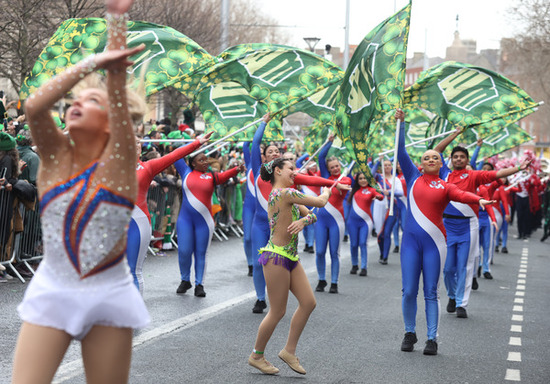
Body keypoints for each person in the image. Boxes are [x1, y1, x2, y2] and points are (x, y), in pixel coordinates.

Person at [12, 1, 150, 382]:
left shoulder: (120, 165)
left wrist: (117, 25)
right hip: (54, 289)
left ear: (111, 123)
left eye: (92, 101)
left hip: (109, 294)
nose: (76, 104)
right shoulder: (54, 158)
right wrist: (91, 63)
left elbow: (118, 94)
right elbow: (35, 105)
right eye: (74, 100)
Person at [394, 109, 494, 355]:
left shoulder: (446, 185)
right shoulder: (412, 176)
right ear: (420, 163)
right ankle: (409, 332)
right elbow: (400, 149)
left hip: (435, 244)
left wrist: (478, 199)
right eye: (427, 157)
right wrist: (402, 122)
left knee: (430, 291)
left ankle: (432, 338)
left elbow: (462, 195)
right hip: (410, 243)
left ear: (441, 164)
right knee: (408, 290)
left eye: (435, 158)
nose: (430, 159)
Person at [435, 127, 531, 319]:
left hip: (468, 226)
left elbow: (497, 174)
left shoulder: (474, 176)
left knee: (465, 265)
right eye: (456, 157)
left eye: (462, 157)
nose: (459, 159)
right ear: (451, 160)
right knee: (447, 269)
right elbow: (437, 151)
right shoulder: (443, 173)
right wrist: (454, 135)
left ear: (467, 160)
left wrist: (519, 168)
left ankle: (462, 303)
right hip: (447, 227)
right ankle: (452, 296)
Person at [248, 157, 330, 375]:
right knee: (277, 311)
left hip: (290, 257)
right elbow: (320, 203)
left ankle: (289, 351)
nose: (295, 172)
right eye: (291, 169)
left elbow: (312, 216)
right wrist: (329, 188)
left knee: (308, 302)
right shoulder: (284, 194)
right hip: (275, 257)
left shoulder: (289, 196)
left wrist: (304, 221)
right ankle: (257, 355)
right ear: (277, 171)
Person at [127, 132, 212, 294]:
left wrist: (197, 143)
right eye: (132, 140)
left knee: (134, 271)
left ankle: (135, 316)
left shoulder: (148, 166)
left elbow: (174, 155)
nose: (136, 144)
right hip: (117, 224)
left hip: (138, 223)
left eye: (139, 142)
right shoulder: (112, 168)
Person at [174, 149, 245, 297]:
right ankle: (185, 280)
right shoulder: (185, 171)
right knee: (184, 251)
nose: (206, 162)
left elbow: (225, 175)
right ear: (192, 163)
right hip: (185, 220)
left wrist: (236, 169)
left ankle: (200, 284)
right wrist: (196, 143)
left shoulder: (211, 176)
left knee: (201, 253)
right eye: (201, 160)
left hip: (204, 222)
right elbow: (176, 154)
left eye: (206, 159)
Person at [315, 135, 352, 293]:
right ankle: (322, 279)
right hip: (321, 220)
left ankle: (334, 282)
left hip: (337, 220)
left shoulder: (346, 179)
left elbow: (344, 186)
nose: (335, 169)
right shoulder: (325, 177)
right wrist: (329, 141)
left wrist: (336, 183)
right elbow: (321, 156)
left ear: (340, 166)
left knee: (334, 252)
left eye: (337, 166)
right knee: (320, 251)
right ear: (328, 169)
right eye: (332, 167)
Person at [347, 172, 383, 276]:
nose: (363, 180)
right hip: (352, 222)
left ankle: (363, 267)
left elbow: (380, 195)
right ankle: (354, 265)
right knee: (353, 244)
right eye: (360, 178)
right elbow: (348, 174)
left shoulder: (372, 190)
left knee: (363, 243)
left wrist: (378, 197)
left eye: (365, 178)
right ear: (357, 180)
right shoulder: (353, 190)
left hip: (365, 223)